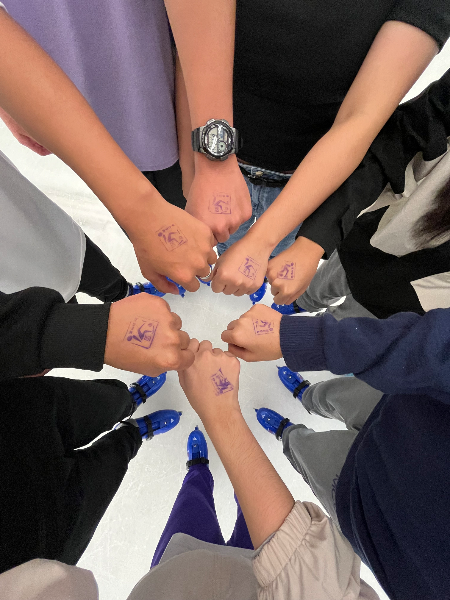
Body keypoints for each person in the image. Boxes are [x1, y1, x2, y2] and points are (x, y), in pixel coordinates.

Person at [0, 343, 380, 599]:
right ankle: (243, 468)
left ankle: (161, 444)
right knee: (248, 507)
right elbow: (323, 582)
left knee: (189, 496)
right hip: (247, 568)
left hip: (177, 571)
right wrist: (222, 415)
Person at [187, 0, 450, 297]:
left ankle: (254, 274)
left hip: (309, 176)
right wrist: (209, 165)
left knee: (277, 247)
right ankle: (229, 264)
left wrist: (262, 243)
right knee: (228, 238)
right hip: (215, 146)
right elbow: (190, 46)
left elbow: (362, 117)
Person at [222, 303, 450, 599]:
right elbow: (438, 346)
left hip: (365, 510)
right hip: (407, 403)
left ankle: (287, 433)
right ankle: (307, 395)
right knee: (335, 396)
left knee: (308, 452)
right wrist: (306, 339)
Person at [0, 5, 217, 296]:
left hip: (154, 66)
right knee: (130, 198)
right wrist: (9, 97)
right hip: (47, 77)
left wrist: (209, 157)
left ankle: (189, 258)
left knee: (179, 193)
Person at [266, 68, 450, 315]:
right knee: (324, 281)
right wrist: (313, 241)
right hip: (378, 232)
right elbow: (406, 133)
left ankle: (299, 317)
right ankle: (297, 304)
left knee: (341, 324)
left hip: (418, 302)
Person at [0, 369, 182, 574]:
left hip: (14, 421)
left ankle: (126, 402)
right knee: (110, 464)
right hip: (34, 547)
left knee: (92, 404)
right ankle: (131, 433)